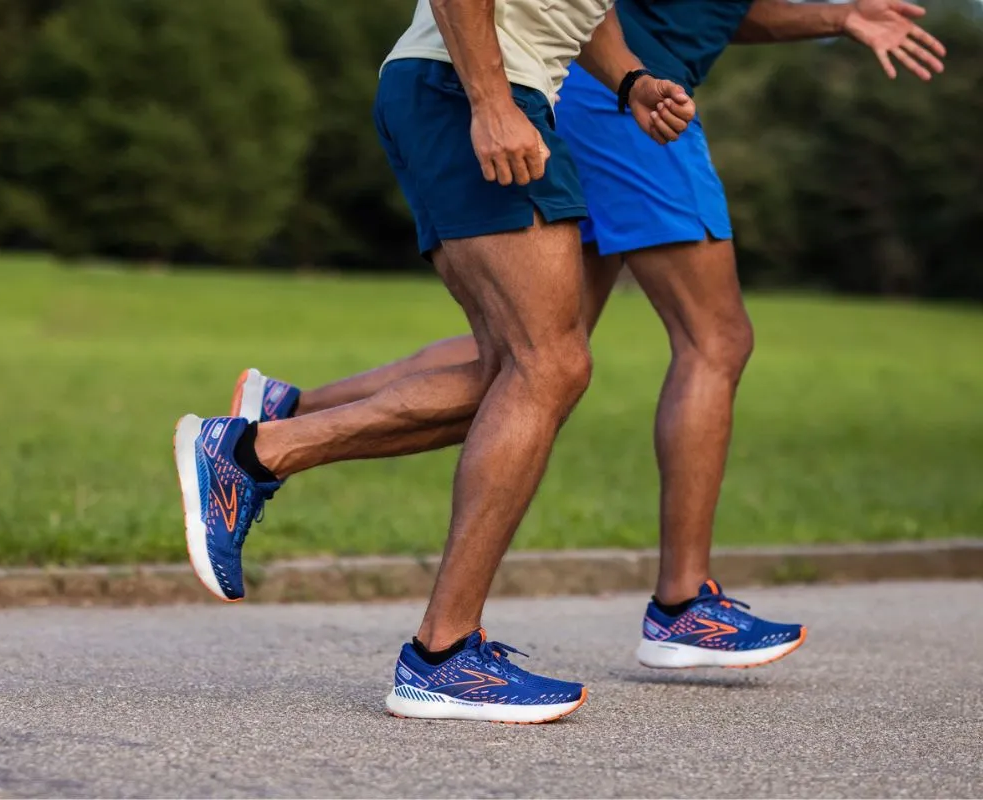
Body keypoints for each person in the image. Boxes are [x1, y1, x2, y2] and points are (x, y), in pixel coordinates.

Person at [229, 0, 945, 679]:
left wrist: (835, 18)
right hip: (575, 101)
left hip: (595, 88)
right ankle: (677, 602)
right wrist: (499, 102)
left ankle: (284, 420)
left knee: (531, 354)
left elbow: (694, 11)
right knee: (703, 339)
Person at [174, 0, 701, 723]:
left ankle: (262, 444)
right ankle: (440, 651)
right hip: (474, 88)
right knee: (550, 366)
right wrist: (490, 102)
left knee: (511, 372)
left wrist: (630, 80)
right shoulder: (485, 92)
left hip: (456, 88)